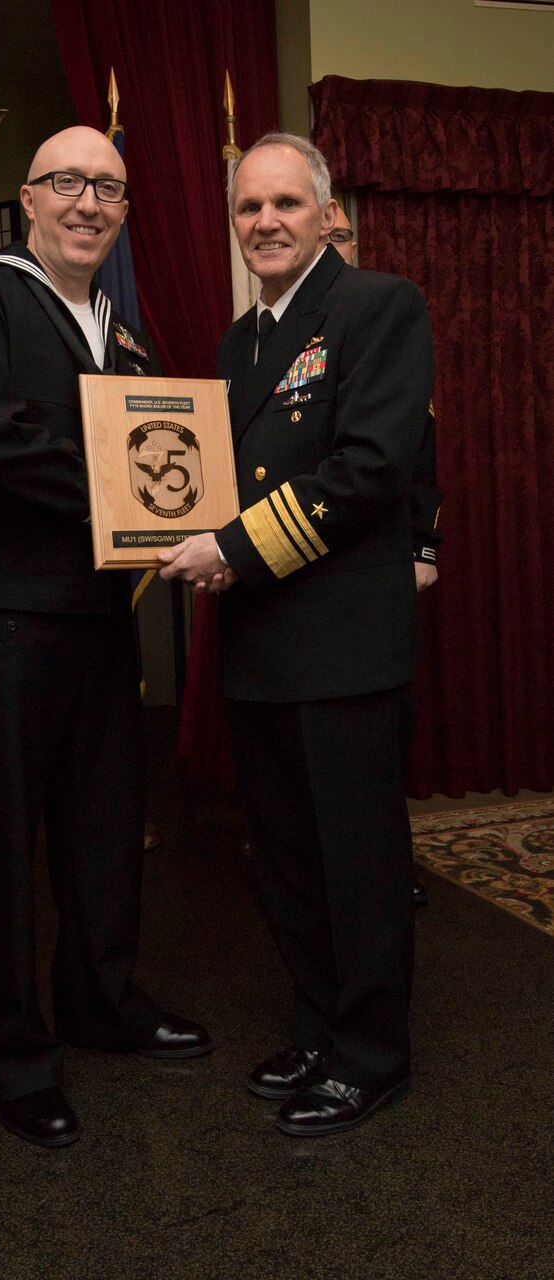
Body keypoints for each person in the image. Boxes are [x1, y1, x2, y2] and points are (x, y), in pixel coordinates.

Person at [0, 125, 211, 1149]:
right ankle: (11, 1049)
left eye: (108, 189)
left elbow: (171, 441)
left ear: (124, 212)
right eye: (68, 184)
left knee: (101, 829)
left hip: (97, 619)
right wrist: (137, 499)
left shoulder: (127, 337)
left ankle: (101, 1000)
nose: (88, 203)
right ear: (26, 198)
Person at [159, 133, 434, 1137]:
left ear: (324, 212)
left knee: (354, 861)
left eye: (283, 204)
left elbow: (364, 471)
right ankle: (319, 1026)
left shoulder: (375, 307)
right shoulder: (241, 340)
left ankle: (371, 1054)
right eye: (247, 209)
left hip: (338, 646)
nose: (264, 223)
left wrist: (225, 545)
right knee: (283, 858)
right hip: (259, 646)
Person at [329, 208, 443, 906]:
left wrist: (423, 544)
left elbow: (416, 453)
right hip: (305, 562)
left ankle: (389, 868)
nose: (335, 248)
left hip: (381, 564)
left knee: (383, 732)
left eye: (344, 239)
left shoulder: (384, 315)